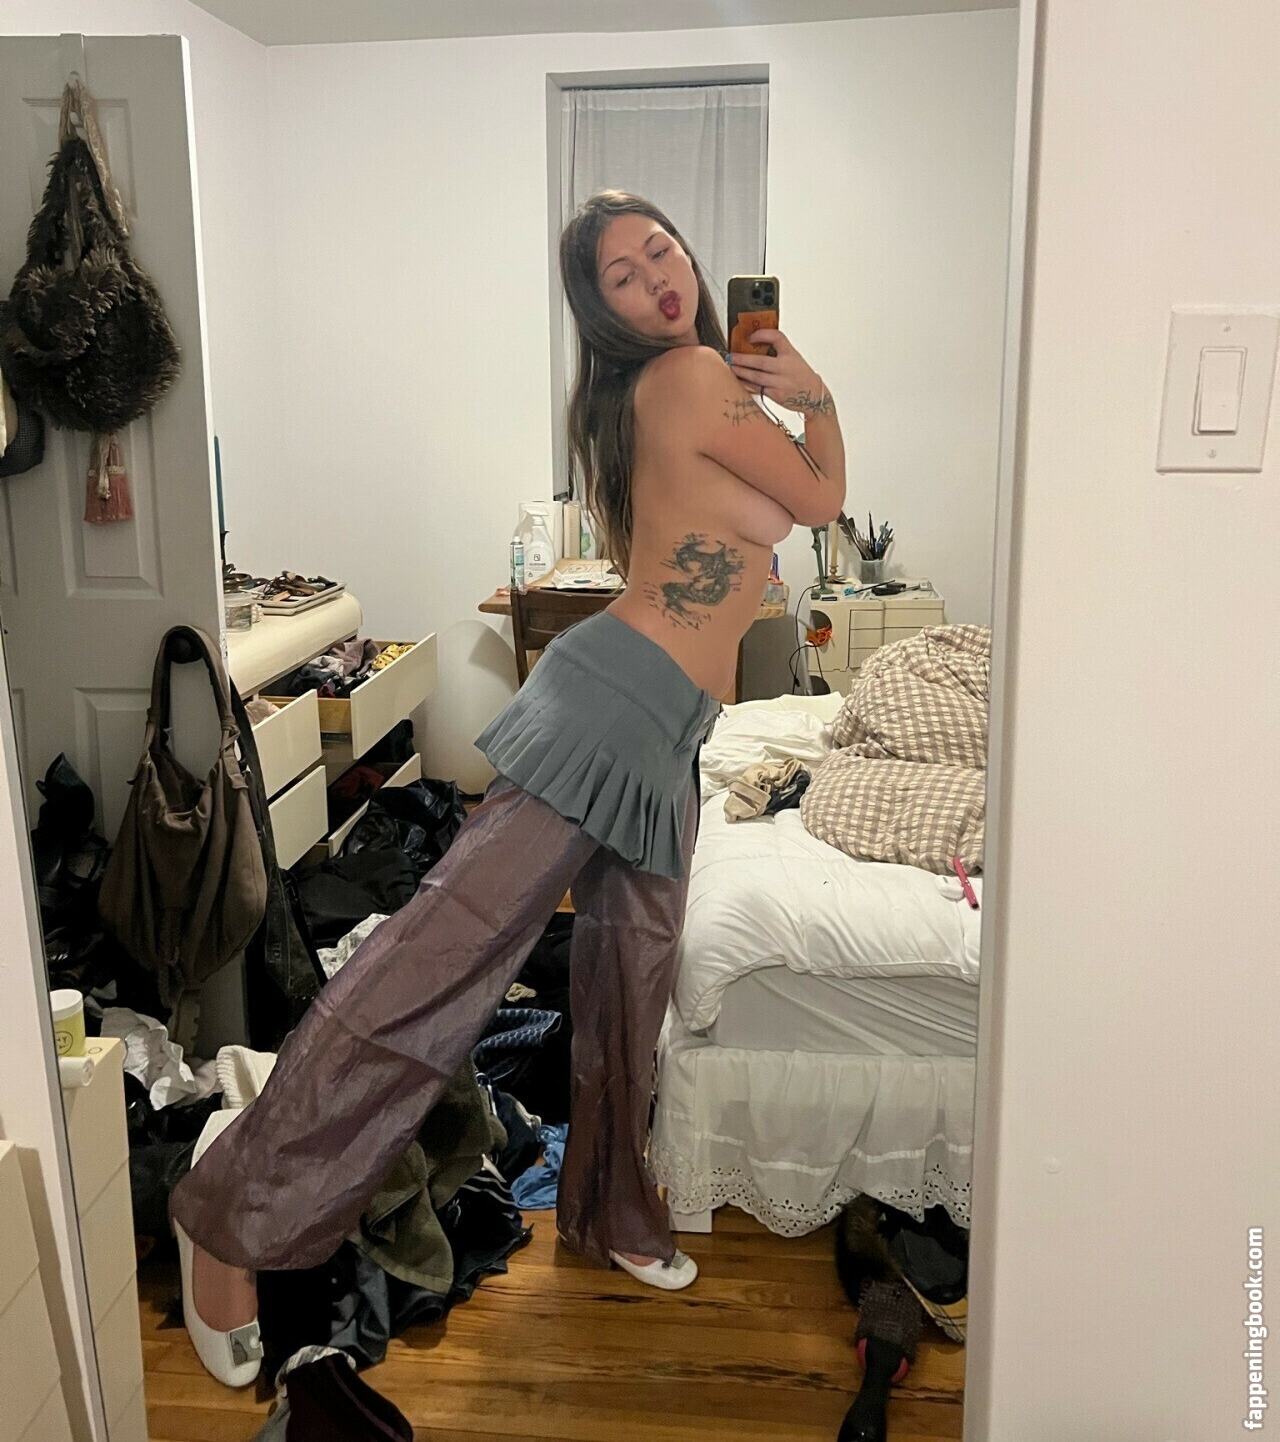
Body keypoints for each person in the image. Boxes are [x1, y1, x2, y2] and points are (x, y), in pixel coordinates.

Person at [170, 188, 845, 1377]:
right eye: (623, 277)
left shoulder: (672, 386)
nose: (657, 279)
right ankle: (226, 1216)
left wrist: (784, 395)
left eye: (661, 252)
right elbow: (820, 498)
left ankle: (608, 1206)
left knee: (628, 985)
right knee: (433, 966)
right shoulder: (692, 376)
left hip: (668, 731)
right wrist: (817, 397)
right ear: (602, 309)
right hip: (609, 706)